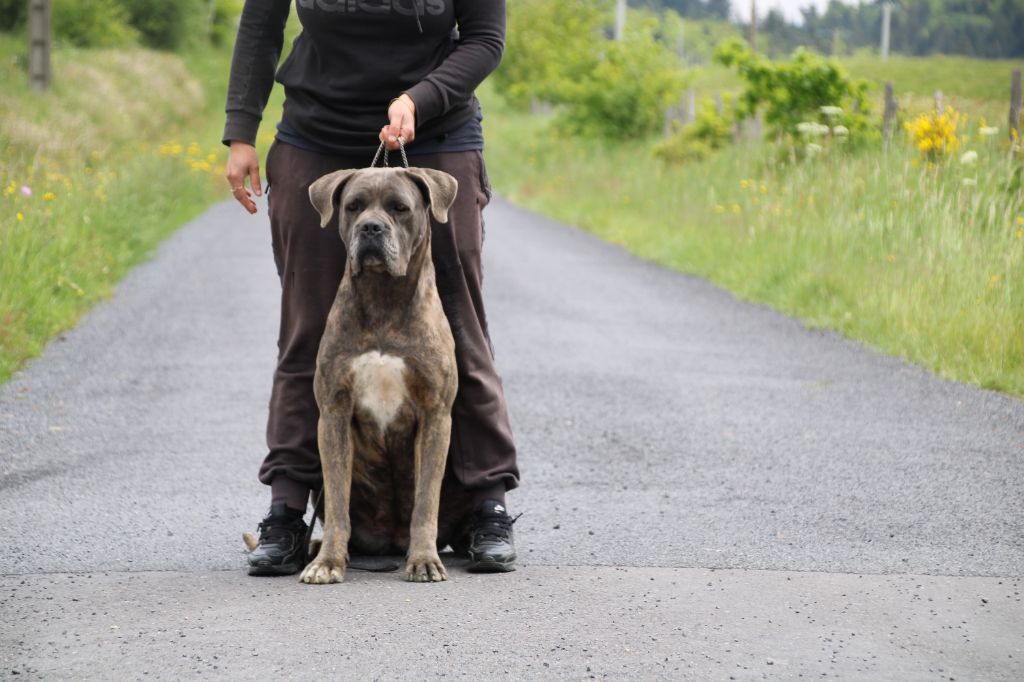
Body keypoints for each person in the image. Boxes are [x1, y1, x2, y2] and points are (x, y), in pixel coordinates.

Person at [222, 0, 520, 576]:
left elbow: (485, 39)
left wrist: (419, 98)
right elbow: (261, 22)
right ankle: (288, 510)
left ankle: (486, 504)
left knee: (459, 330)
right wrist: (241, 130)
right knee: (309, 331)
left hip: (436, 133)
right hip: (316, 133)